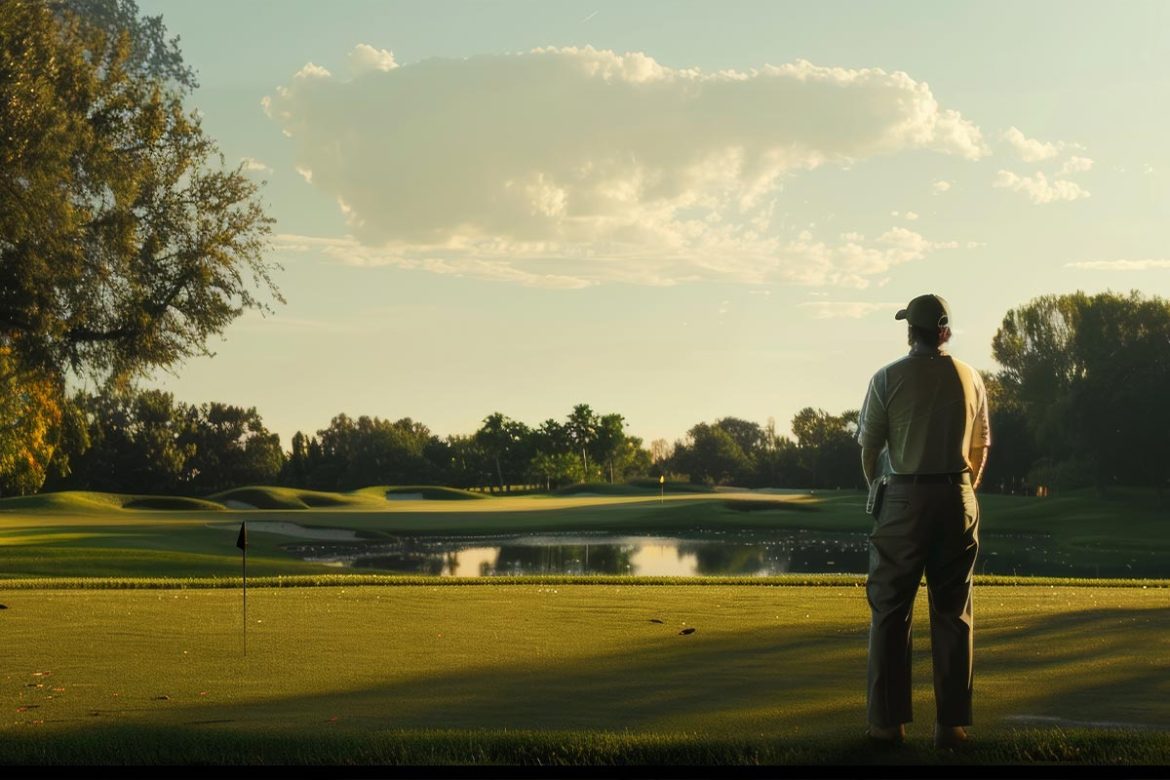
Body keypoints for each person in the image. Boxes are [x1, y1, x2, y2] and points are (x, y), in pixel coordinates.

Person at [856, 293, 990, 750]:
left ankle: (887, 724)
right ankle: (951, 727)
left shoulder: (886, 377)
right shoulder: (971, 377)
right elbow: (980, 448)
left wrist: (881, 491)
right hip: (957, 494)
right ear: (944, 332)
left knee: (891, 610)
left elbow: (870, 450)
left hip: (904, 497)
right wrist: (965, 490)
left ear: (910, 331)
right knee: (954, 612)